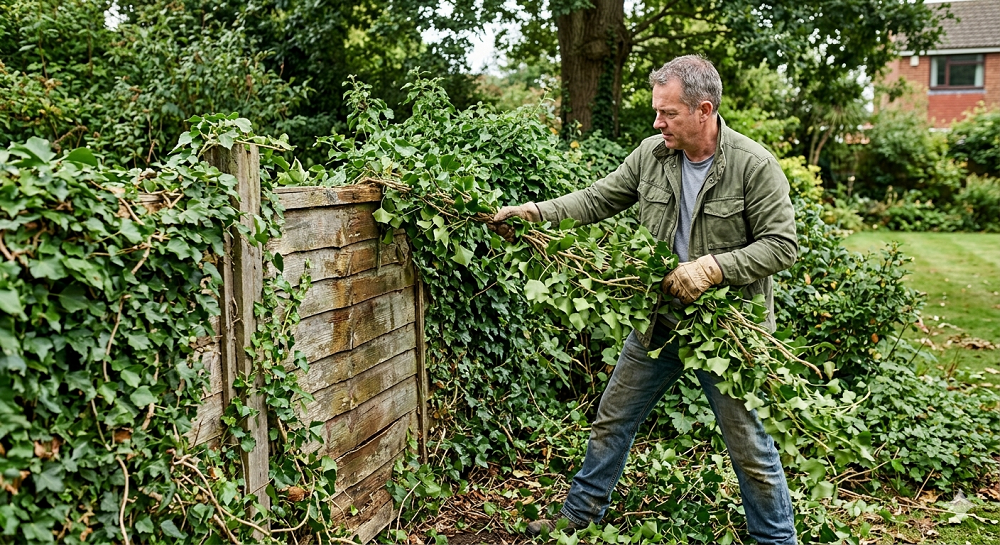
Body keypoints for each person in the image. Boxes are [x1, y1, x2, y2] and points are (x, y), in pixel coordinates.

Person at [490, 55, 799, 545]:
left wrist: (713, 268)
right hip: (659, 322)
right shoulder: (652, 155)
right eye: (657, 113)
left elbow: (782, 244)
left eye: (668, 114)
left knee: (750, 446)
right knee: (612, 419)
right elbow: (596, 199)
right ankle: (581, 516)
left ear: (703, 109)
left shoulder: (753, 166)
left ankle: (776, 540)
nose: (658, 123)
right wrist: (533, 213)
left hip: (727, 332)